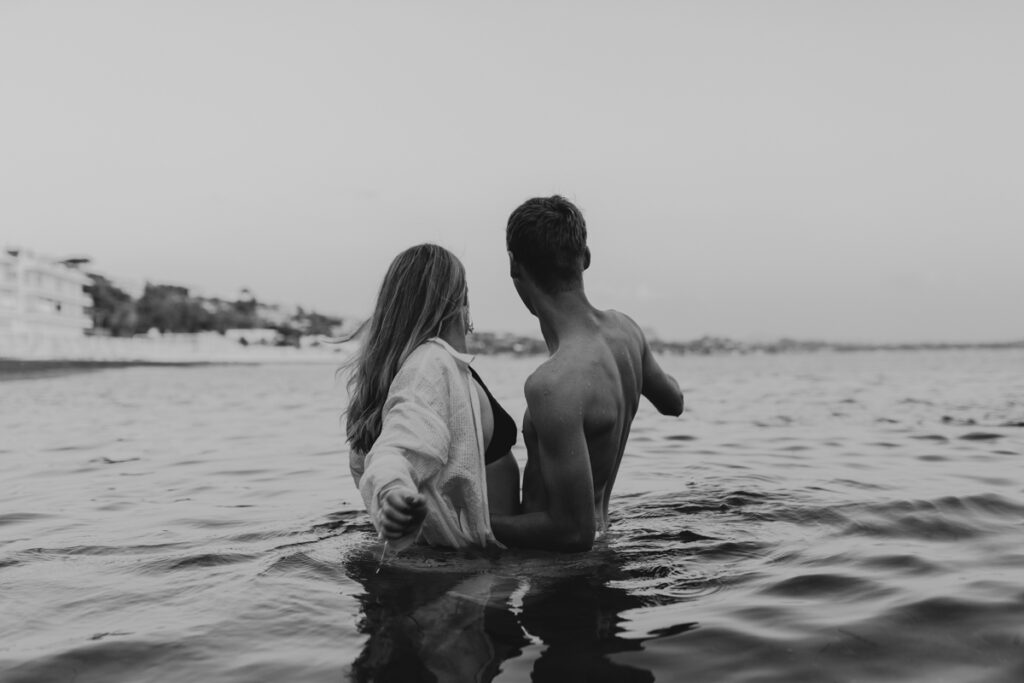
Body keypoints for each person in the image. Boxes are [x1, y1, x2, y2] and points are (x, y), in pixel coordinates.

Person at [490, 196, 684, 552]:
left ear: (515, 266)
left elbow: (571, 533)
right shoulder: (627, 332)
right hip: (605, 545)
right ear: (586, 257)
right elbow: (674, 403)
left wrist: (474, 525)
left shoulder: (553, 384)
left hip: (556, 576)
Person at [345, 243, 520, 549]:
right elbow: (396, 449)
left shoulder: (391, 379)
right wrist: (392, 490)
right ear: (456, 299)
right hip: (468, 576)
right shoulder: (429, 367)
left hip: (426, 568)